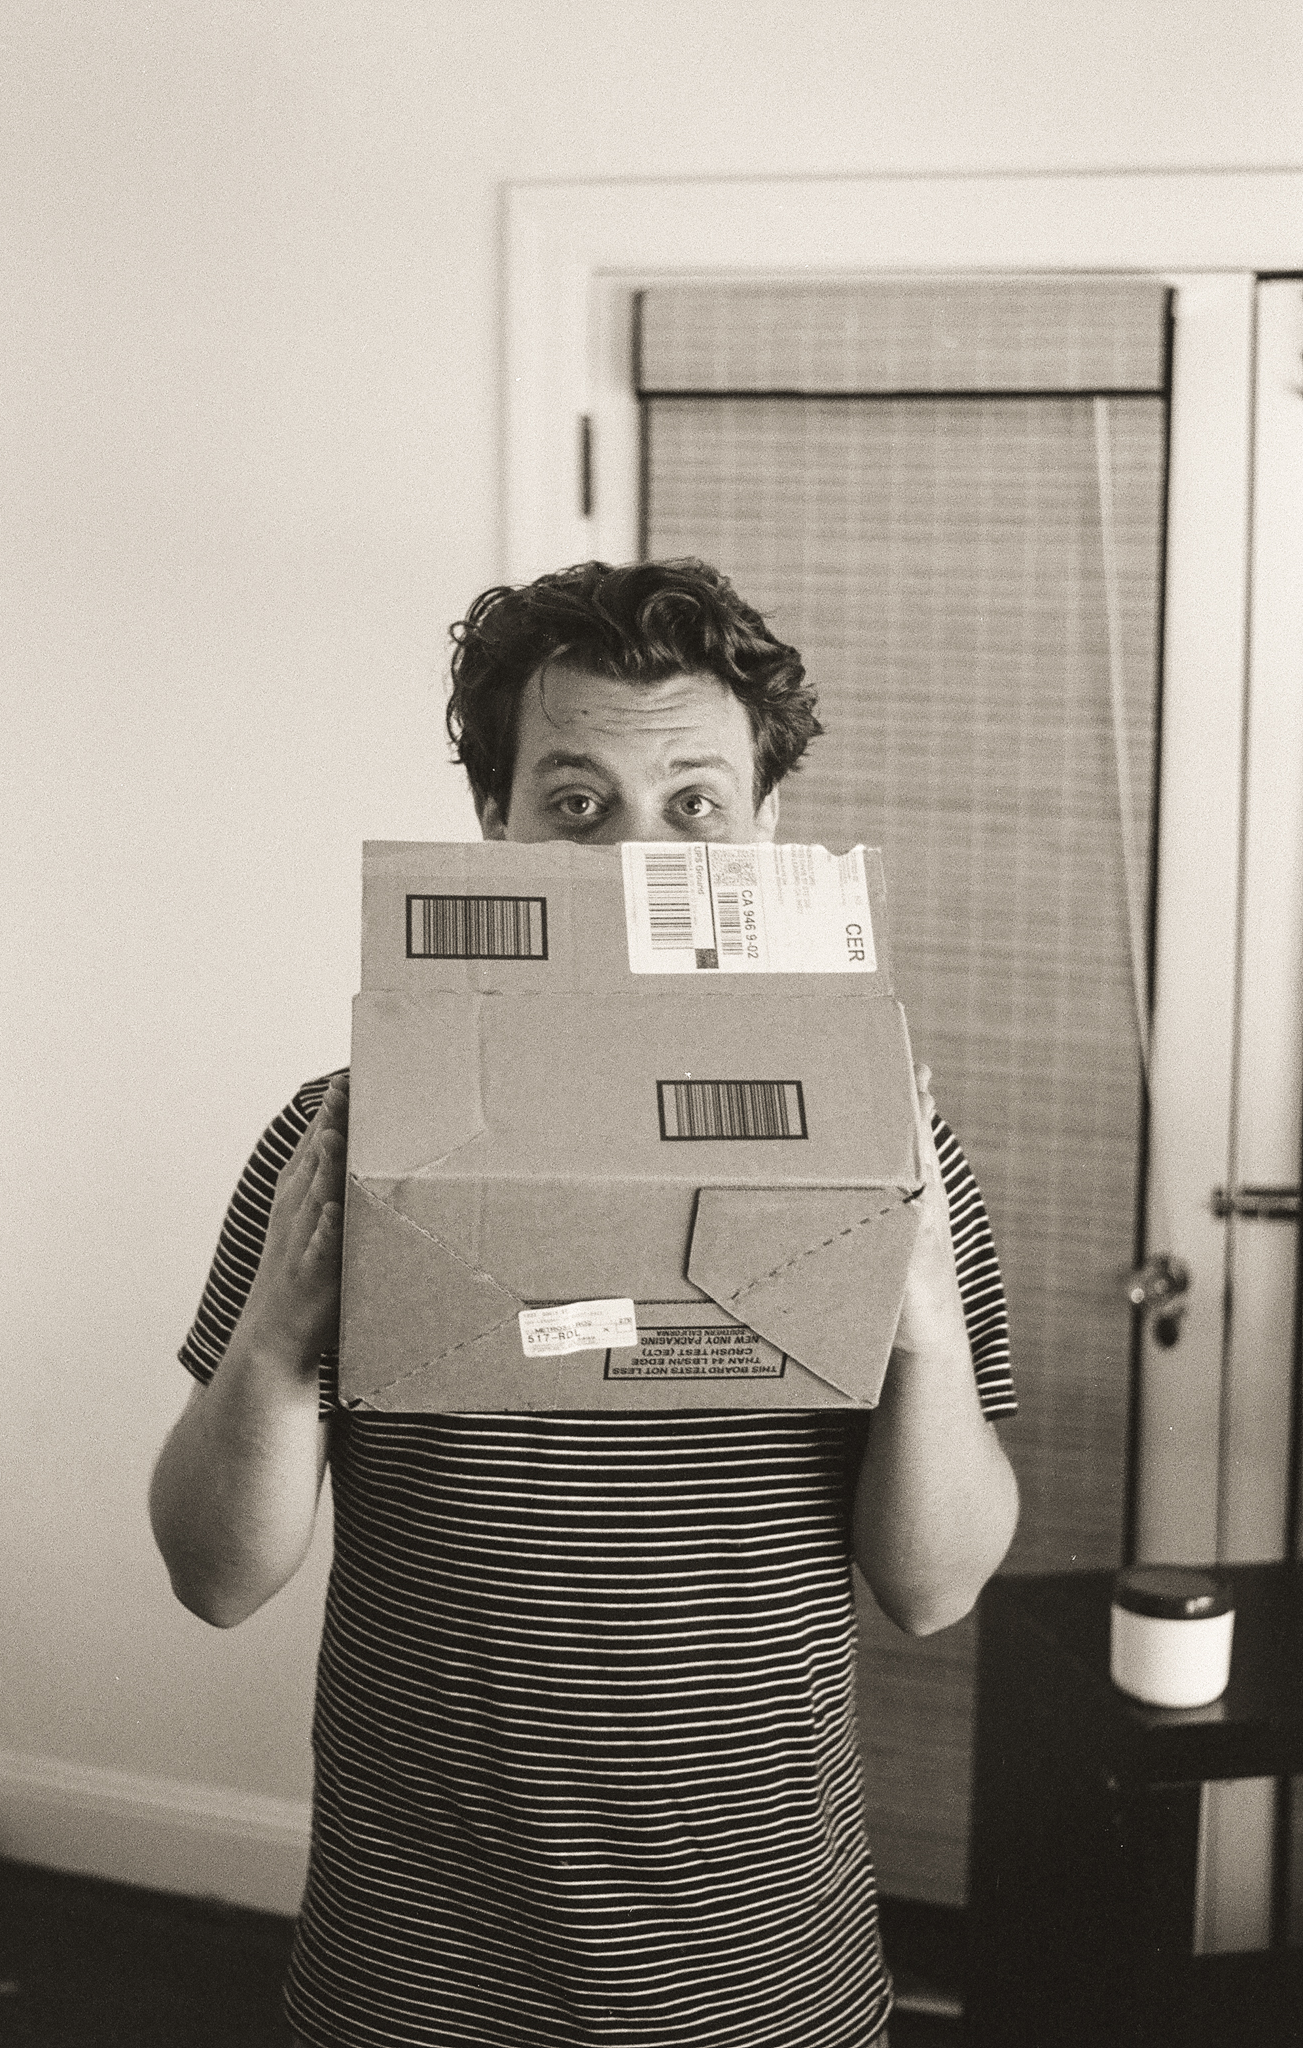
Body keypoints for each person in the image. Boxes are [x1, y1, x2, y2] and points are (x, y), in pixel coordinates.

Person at [150, 558, 1019, 2048]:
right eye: (577, 803)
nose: (635, 860)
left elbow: (934, 1590)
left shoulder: (879, 1137)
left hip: (758, 1969)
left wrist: (923, 1320)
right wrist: (281, 1338)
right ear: (495, 828)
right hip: (417, 1970)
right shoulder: (348, 1133)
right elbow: (214, 1578)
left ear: (766, 834)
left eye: (694, 806)